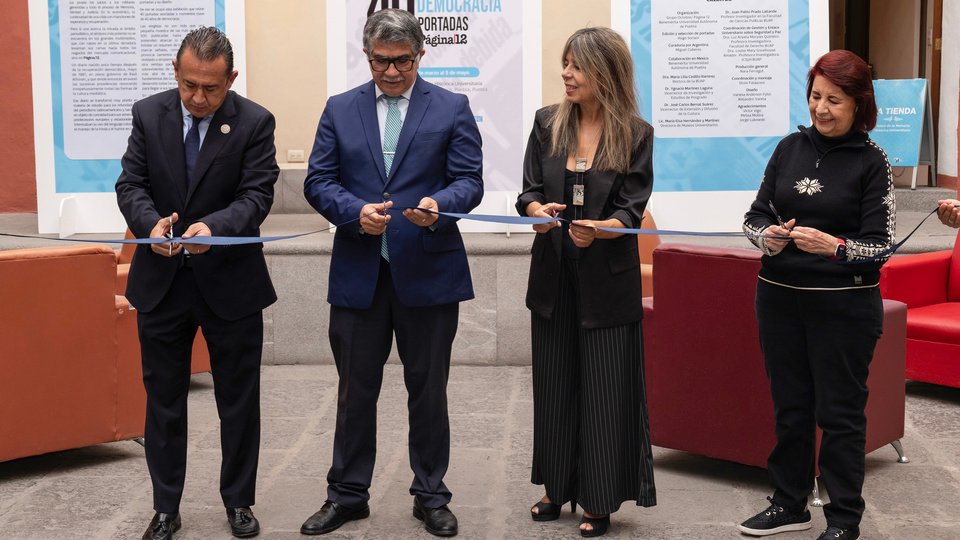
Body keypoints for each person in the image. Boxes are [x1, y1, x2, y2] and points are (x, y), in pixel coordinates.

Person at [299, 9, 482, 538]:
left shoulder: (451, 107)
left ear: (421, 56)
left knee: (428, 391)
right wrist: (353, 211)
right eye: (383, 61)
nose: (393, 72)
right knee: (356, 390)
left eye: (403, 61)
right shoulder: (340, 109)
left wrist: (439, 203)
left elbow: (468, 180)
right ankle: (348, 494)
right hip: (361, 273)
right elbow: (317, 181)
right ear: (368, 56)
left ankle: (431, 495)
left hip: (429, 273)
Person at [115, 27, 278, 540]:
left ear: (231, 78)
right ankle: (166, 507)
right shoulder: (148, 114)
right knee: (163, 399)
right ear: (176, 72)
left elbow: (258, 194)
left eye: (211, 87)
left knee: (238, 398)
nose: (199, 98)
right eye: (189, 85)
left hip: (230, 282)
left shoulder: (254, 121)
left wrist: (218, 229)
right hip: (162, 281)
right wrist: (150, 225)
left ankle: (239, 502)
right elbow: (131, 183)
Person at [740, 49, 895, 540]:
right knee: (790, 408)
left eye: (834, 100)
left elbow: (881, 245)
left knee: (841, 416)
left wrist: (837, 247)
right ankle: (790, 504)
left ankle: (844, 519)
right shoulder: (788, 147)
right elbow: (753, 216)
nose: (821, 109)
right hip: (779, 299)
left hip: (844, 308)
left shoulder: (874, 162)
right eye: (814, 96)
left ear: (858, 104)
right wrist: (768, 236)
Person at [515, 27, 656, 538]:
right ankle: (555, 487)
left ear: (606, 71)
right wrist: (536, 208)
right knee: (554, 385)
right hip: (553, 276)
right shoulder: (546, 123)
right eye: (565, 63)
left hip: (607, 281)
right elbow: (527, 192)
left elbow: (631, 210)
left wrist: (603, 230)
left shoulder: (636, 133)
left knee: (603, 390)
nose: (566, 74)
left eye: (577, 65)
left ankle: (597, 498)